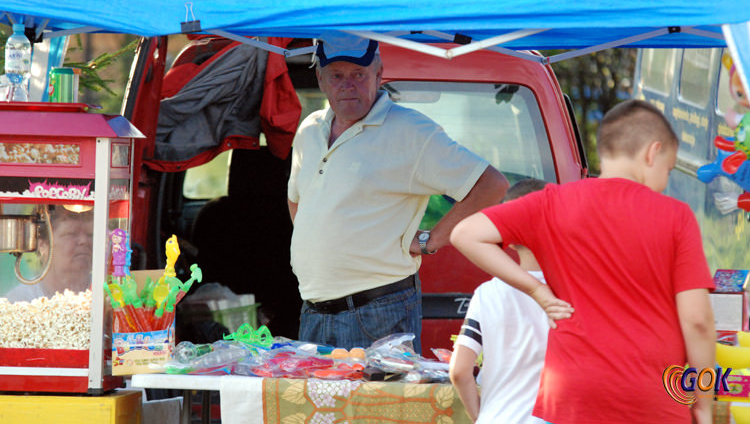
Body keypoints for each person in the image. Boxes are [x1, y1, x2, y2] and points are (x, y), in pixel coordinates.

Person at [450, 100, 716, 424]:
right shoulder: (676, 216)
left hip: (570, 396)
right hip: (652, 395)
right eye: (668, 168)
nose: (665, 181)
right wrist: (703, 400)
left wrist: (537, 291)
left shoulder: (551, 203)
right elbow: (698, 321)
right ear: (652, 152)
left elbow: (465, 234)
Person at [287, 32, 508, 352]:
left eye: (358, 75)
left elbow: (491, 184)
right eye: (337, 75)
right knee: (318, 404)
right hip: (314, 312)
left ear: (379, 76)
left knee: (379, 405)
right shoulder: (310, 129)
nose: (347, 84)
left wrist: (431, 240)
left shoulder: (411, 130)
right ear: (321, 80)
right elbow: (297, 200)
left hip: (376, 313)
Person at [450, 178, 549, 424]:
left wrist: (479, 416)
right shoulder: (574, 291)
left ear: (508, 237)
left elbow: (460, 371)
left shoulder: (487, 293)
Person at [6, 206, 94, 302]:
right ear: (42, 245)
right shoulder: (20, 301)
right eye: (71, 234)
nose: (84, 241)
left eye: (90, 235)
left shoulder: (106, 291)